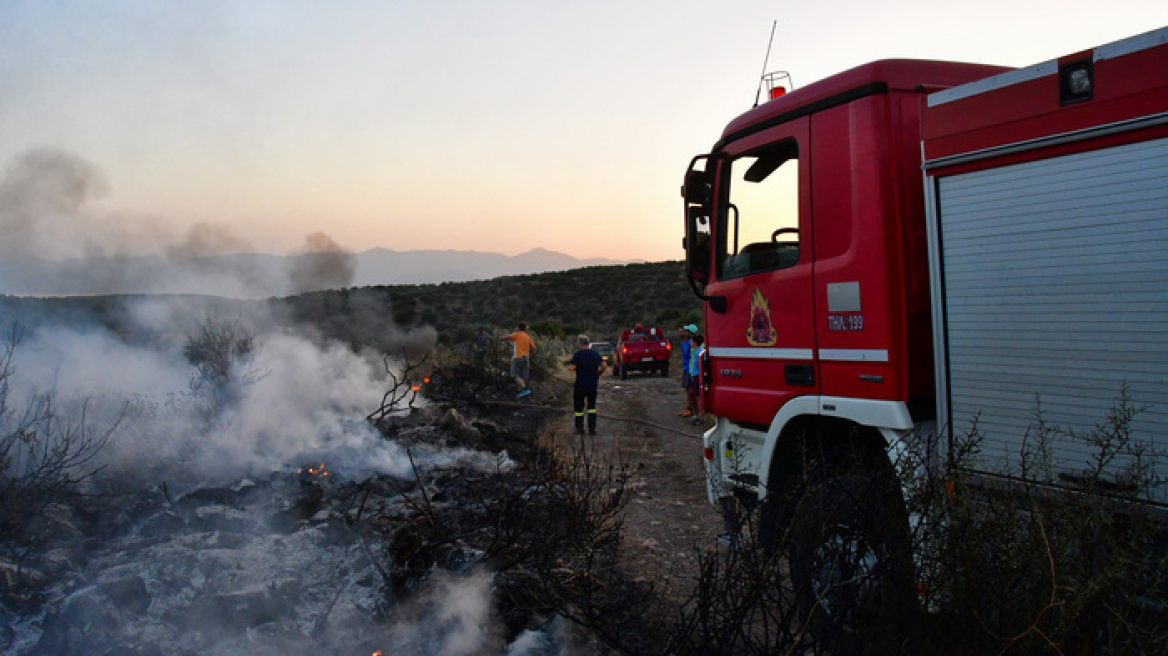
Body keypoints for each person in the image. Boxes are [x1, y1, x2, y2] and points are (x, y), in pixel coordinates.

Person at [568, 334, 607, 435]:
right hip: (592, 385)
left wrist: (574, 367)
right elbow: (604, 365)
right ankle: (592, 429)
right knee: (591, 408)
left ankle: (579, 429)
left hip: (580, 385)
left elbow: (571, 368)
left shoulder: (577, 354)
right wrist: (598, 374)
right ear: (588, 343)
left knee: (578, 409)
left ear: (580, 343)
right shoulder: (595, 354)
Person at [499, 322, 536, 397]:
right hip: (526, 358)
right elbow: (533, 348)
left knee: (514, 375)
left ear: (519, 328)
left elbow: (505, 337)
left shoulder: (517, 335)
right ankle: (519, 393)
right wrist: (527, 351)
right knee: (521, 376)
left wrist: (500, 338)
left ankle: (525, 389)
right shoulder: (527, 337)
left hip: (518, 357)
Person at [678, 324, 697, 417]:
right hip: (686, 368)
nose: (680, 333)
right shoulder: (683, 343)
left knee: (691, 390)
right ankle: (689, 408)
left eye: (682, 331)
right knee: (687, 389)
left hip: (691, 368)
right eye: (680, 332)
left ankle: (692, 410)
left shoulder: (691, 343)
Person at [687, 334, 705, 426]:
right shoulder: (697, 351)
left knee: (699, 398)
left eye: (691, 341)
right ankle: (698, 415)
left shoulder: (700, 352)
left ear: (695, 342)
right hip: (695, 376)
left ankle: (700, 417)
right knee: (696, 396)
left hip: (698, 376)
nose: (690, 343)